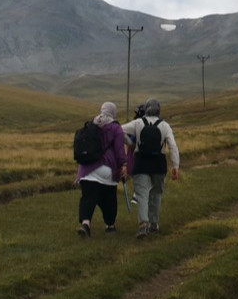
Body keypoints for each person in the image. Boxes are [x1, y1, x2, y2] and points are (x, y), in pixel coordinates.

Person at [122, 98, 181, 238]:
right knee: (156, 194)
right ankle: (154, 224)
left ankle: (143, 224)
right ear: (159, 110)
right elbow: (172, 146)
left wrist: (129, 142)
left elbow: (118, 130)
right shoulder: (165, 125)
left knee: (142, 194)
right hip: (158, 163)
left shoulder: (138, 123)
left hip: (141, 161)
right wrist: (175, 165)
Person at [75, 101, 129, 237]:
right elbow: (119, 149)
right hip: (106, 168)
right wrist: (124, 164)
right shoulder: (115, 128)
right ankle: (110, 225)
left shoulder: (92, 123)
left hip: (86, 168)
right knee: (109, 198)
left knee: (88, 197)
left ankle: (86, 224)